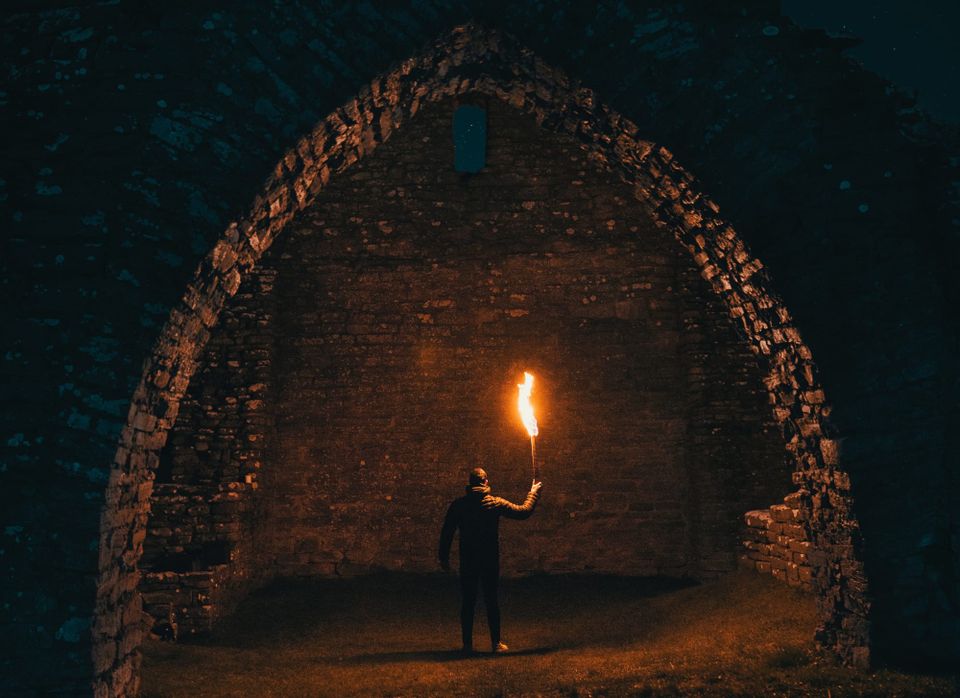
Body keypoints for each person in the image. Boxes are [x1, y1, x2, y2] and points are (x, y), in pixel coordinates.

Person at [438, 467, 542, 654]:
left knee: (468, 601)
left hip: (468, 559)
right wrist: (533, 493)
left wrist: (443, 558)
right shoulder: (494, 503)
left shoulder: (459, 505)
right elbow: (523, 511)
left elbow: (447, 533)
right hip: (489, 560)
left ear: (470, 484)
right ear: (485, 482)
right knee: (491, 600)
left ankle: (467, 645)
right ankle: (496, 644)